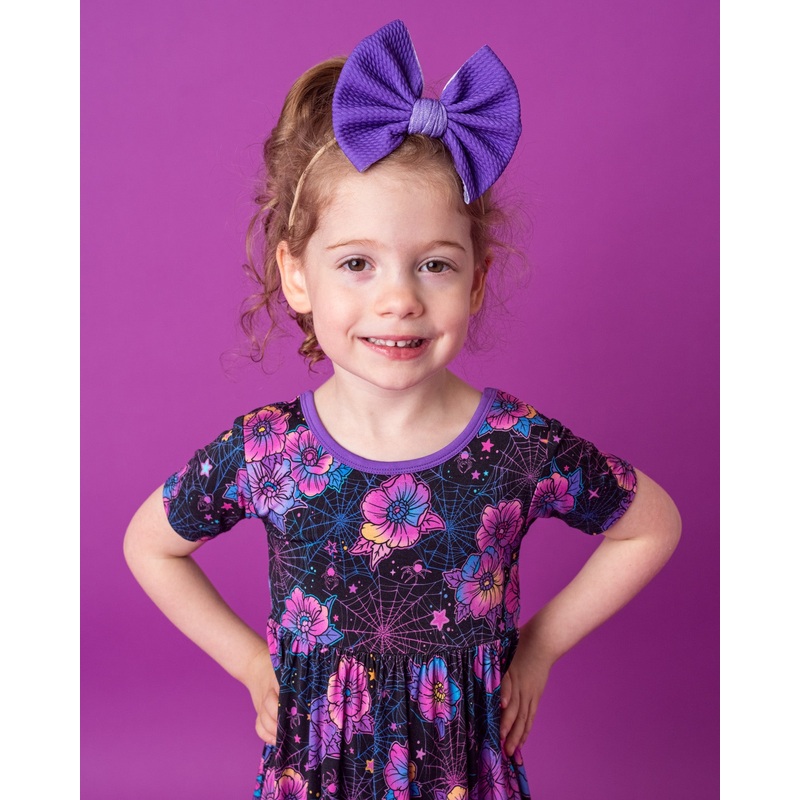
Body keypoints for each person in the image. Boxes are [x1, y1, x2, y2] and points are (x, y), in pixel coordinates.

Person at [124, 19, 681, 800]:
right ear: (297, 276)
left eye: (435, 265)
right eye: (358, 262)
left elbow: (651, 524)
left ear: (477, 281)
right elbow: (150, 547)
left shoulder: (517, 445)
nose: (399, 299)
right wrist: (251, 663)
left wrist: (541, 648)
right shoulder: (267, 451)